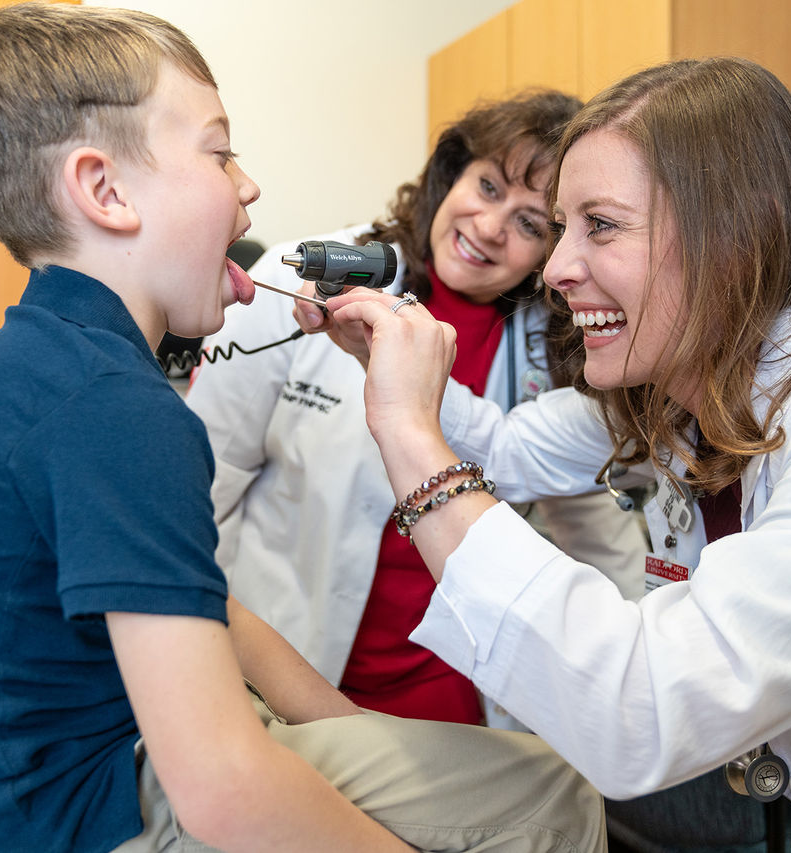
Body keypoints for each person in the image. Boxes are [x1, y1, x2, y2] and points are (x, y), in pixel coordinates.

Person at [0, 4, 607, 852]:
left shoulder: (56, 369)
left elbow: (211, 607)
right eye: (219, 152)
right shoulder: (115, 411)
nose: (248, 186)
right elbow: (221, 789)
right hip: (67, 821)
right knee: (553, 797)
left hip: (15, 800)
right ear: (104, 190)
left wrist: (354, 730)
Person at [321, 56, 791, 852]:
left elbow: (641, 708)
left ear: (739, 232)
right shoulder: (679, 402)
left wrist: (406, 433)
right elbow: (500, 446)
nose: (557, 270)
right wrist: (384, 351)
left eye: (599, 225)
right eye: (561, 229)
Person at [186, 90, 648, 728]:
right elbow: (207, 485)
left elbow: (589, 521)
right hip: (289, 666)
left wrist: (633, 663)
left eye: (530, 224)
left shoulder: (562, 345)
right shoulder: (311, 278)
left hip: (450, 689)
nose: (489, 228)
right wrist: (201, 660)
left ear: (555, 250)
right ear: (450, 175)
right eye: (487, 187)